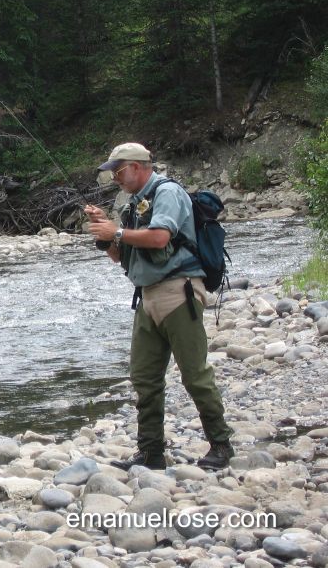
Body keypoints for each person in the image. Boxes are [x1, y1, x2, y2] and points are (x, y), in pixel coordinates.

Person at [84, 142, 234, 471]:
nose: (116, 180)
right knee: (145, 379)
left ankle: (221, 445)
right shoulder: (133, 203)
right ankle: (151, 453)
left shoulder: (168, 193)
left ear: (137, 167)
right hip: (147, 297)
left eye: (118, 172)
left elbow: (160, 239)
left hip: (178, 294)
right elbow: (121, 257)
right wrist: (106, 234)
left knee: (195, 375)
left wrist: (118, 231)